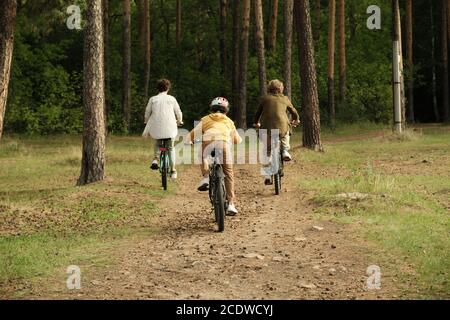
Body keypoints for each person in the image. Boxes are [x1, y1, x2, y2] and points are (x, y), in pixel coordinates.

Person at [186, 97, 242, 215]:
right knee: (228, 173)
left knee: (202, 155)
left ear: (212, 109)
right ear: (226, 110)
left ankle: (206, 176)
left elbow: (192, 134)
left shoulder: (206, 119)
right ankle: (231, 204)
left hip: (207, 142)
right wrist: (237, 139)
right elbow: (236, 140)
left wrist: (189, 141)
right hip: (223, 144)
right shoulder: (229, 121)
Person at [253, 79, 300, 185]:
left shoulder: (265, 98)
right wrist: (296, 119)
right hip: (282, 126)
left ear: (269, 88)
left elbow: (258, 113)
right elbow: (293, 111)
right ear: (281, 88)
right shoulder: (285, 98)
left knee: (267, 151)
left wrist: (256, 123)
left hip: (267, 128)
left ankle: (268, 175)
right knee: (285, 133)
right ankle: (285, 151)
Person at [143, 79, 183, 179]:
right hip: (170, 127)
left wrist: (146, 121)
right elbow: (178, 112)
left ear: (157, 88)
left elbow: (147, 112)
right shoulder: (172, 99)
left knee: (158, 142)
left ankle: (155, 159)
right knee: (170, 148)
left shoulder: (153, 99)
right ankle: (173, 170)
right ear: (168, 88)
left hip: (156, 127)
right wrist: (179, 121)